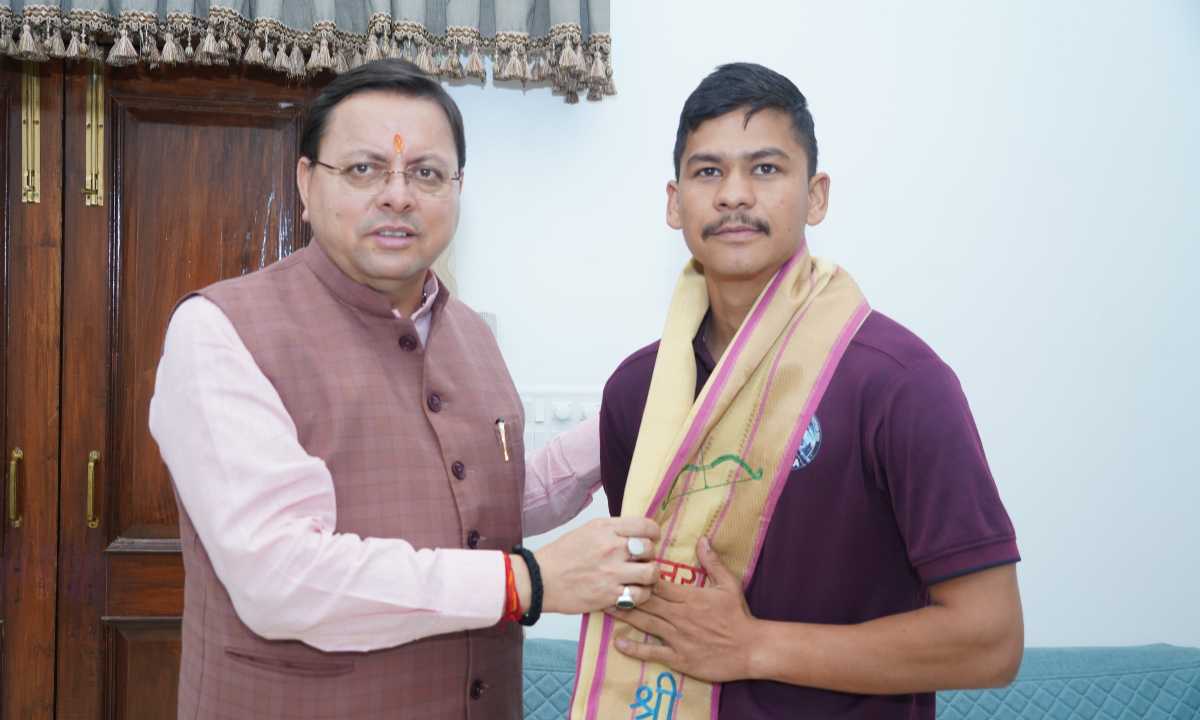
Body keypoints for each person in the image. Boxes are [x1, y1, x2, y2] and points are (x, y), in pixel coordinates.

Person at [148, 59, 658, 720]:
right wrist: (525, 582)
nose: (397, 196)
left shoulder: (470, 334)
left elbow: (491, 504)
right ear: (306, 182)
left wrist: (635, 409)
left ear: (458, 189)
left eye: (426, 173)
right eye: (364, 169)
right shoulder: (220, 331)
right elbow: (281, 575)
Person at [570, 62, 1023, 719]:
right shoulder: (637, 392)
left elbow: (992, 641)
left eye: (765, 169)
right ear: (674, 202)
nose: (733, 195)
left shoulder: (899, 383)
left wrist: (753, 647)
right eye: (707, 171)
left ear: (816, 196)